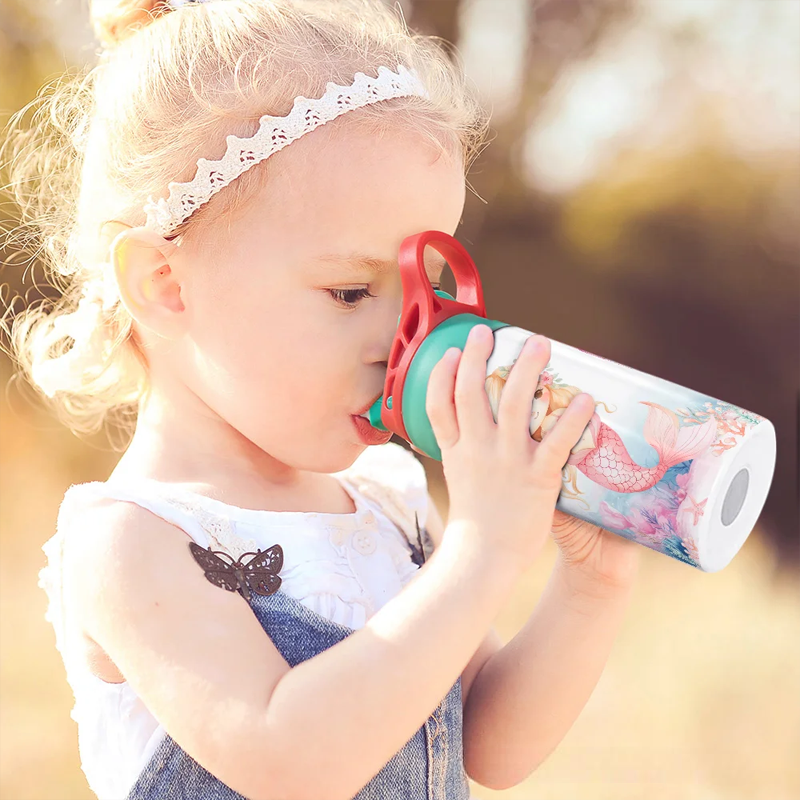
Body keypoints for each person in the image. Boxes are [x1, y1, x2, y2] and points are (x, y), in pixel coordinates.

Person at [2, 0, 641, 798]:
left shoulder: (389, 509)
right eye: (349, 292)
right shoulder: (133, 544)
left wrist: (590, 588)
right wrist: (483, 553)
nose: (403, 339)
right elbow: (289, 761)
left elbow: (487, 748)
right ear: (165, 285)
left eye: (424, 294)